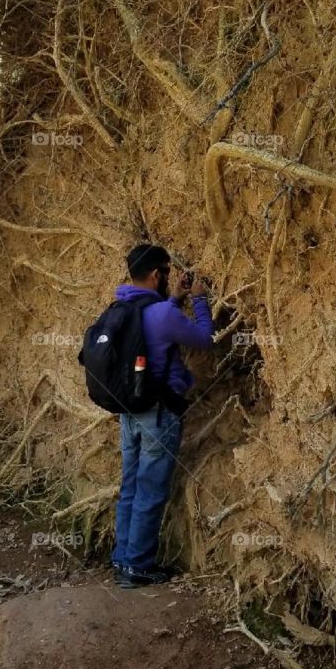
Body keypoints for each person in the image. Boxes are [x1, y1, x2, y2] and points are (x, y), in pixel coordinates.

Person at [112, 243, 214, 588]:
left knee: (130, 487)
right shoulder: (162, 315)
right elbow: (206, 338)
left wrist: (174, 299)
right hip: (159, 415)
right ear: (157, 274)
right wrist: (198, 300)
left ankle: (122, 560)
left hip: (128, 413)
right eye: (167, 272)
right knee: (151, 490)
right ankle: (138, 567)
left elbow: (153, 329)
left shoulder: (122, 307)